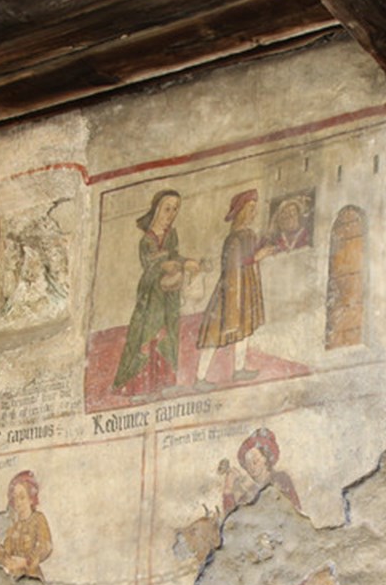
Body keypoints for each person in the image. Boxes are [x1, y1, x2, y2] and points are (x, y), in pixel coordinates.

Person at [111, 189, 197, 395]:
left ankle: (163, 384)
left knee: (168, 334)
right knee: (147, 335)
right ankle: (139, 388)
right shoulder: (147, 240)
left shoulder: (171, 235)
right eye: (167, 209)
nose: (171, 214)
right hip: (151, 294)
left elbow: (174, 257)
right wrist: (172, 264)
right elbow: (152, 264)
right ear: (157, 209)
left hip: (169, 294)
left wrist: (186, 262)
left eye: (175, 209)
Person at [193, 189, 277, 382]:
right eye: (251, 209)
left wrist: (264, 248)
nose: (254, 213)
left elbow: (252, 255)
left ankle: (239, 369)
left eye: (255, 209)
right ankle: (200, 378)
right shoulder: (234, 239)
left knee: (245, 329)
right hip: (230, 292)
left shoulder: (249, 234)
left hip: (245, 289)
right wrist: (256, 257)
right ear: (241, 211)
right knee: (214, 334)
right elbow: (233, 265)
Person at [220, 427, 301, 515]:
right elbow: (232, 520)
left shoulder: (281, 480)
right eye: (247, 464)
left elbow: (295, 512)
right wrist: (228, 489)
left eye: (255, 461)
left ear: (265, 458)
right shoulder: (247, 495)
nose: (252, 466)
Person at [0, 470, 52, 579]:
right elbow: (7, 556)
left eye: (22, 497)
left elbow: (45, 546)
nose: (18, 502)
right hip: (13, 580)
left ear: (31, 498)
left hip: (32, 578)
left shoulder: (38, 519)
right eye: (15, 498)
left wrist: (26, 562)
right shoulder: (13, 526)